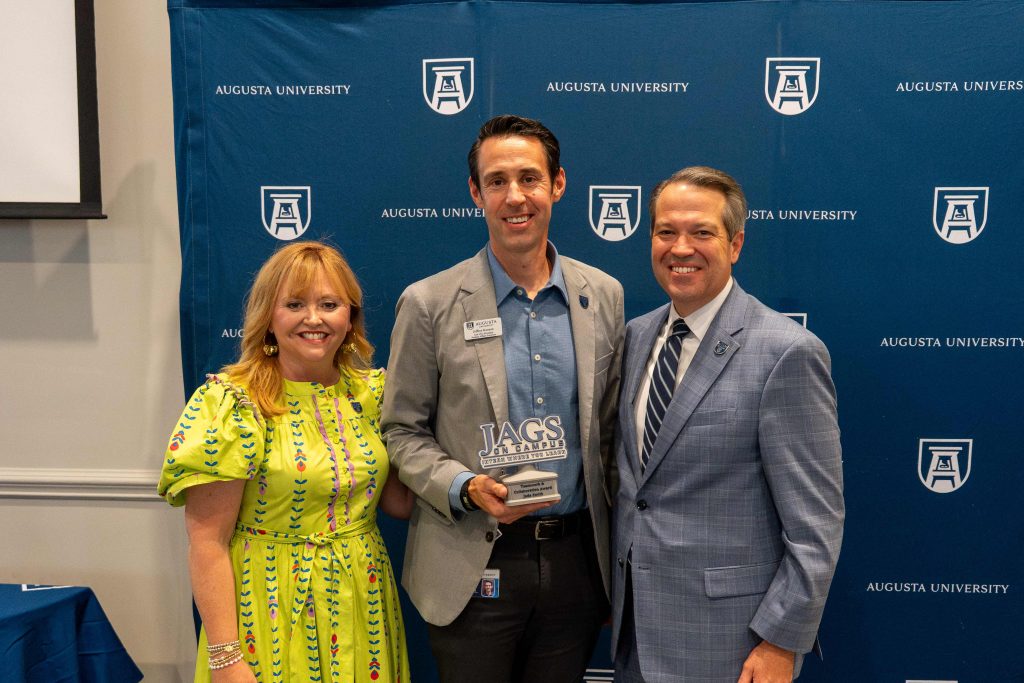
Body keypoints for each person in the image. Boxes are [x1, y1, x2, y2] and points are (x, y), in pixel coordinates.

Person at [382, 114, 624, 683]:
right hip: (471, 558)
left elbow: (611, 435)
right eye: (496, 181)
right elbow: (401, 430)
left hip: (575, 563)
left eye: (529, 178)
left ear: (557, 185)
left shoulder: (604, 295)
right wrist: (464, 487)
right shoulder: (429, 303)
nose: (514, 196)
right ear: (476, 193)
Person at [611, 167, 845, 682]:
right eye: (666, 231)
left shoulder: (786, 353)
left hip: (734, 646)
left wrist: (781, 641)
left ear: (735, 244)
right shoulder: (634, 336)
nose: (681, 248)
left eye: (702, 232)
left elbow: (816, 527)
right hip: (634, 638)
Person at [158, 241, 412, 682]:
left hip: (362, 601)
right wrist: (226, 658)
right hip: (267, 608)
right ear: (269, 318)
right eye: (295, 304)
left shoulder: (372, 394)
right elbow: (207, 543)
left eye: (329, 304)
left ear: (349, 318)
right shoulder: (232, 402)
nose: (313, 318)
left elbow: (398, 503)